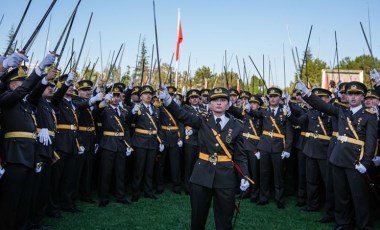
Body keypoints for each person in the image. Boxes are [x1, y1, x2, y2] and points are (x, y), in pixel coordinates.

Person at [159, 85, 250, 230]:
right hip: (202, 175)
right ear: (209, 104)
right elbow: (182, 115)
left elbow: (240, 155)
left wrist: (244, 175)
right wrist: (169, 100)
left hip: (226, 177)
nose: (218, 103)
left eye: (222, 100)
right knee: (197, 219)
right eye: (214, 100)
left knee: (224, 221)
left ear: (228, 104)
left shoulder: (237, 126)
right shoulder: (202, 120)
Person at [296, 80, 377, 229]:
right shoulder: (342, 111)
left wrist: (365, 163)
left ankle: (364, 225)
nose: (353, 97)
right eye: (350, 94)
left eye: (356, 94)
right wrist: (307, 93)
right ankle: (343, 223)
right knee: (341, 195)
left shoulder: (369, 115)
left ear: (362, 97)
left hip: (355, 161)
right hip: (338, 158)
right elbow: (322, 105)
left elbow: (371, 143)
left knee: (359, 196)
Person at [0, 53, 55, 230]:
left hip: (30, 154)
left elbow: (35, 92)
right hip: (15, 155)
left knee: (25, 197)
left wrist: (44, 77)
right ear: (12, 85)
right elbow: (25, 90)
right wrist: (38, 69)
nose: (25, 86)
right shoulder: (6, 99)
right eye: (21, 83)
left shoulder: (26, 104)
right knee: (12, 199)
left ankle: (23, 226)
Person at [245, 87, 293, 209]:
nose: (272, 99)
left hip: (278, 147)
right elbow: (254, 113)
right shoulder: (264, 111)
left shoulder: (285, 112)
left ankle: (280, 199)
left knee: (278, 175)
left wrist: (287, 149)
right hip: (264, 146)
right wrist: (247, 108)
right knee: (264, 174)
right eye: (270, 96)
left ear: (280, 98)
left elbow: (289, 133)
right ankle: (263, 198)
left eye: (275, 96)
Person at [288, 88, 333, 212]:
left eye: (322, 98)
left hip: (325, 151)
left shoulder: (332, 113)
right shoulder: (310, 113)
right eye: (317, 98)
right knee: (311, 180)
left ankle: (330, 210)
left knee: (328, 182)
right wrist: (289, 114)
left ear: (329, 99)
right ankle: (312, 205)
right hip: (310, 150)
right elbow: (298, 121)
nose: (319, 100)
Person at [97, 84, 132, 207]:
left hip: (121, 144)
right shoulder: (105, 109)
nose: (116, 98)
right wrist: (103, 99)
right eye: (114, 96)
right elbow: (98, 110)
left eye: (118, 96)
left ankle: (120, 196)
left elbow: (126, 128)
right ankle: (104, 197)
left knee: (120, 172)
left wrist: (128, 144)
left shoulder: (123, 111)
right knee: (106, 172)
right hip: (108, 143)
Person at [128, 85, 162, 202]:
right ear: (141, 96)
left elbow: (158, 127)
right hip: (140, 141)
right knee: (139, 168)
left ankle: (148, 191)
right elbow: (128, 121)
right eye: (145, 94)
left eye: (150, 94)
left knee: (149, 168)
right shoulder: (136, 107)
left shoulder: (156, 109)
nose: (148, 96)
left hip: (152, 141)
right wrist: (133, 112)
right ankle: (135, 192)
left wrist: (160, 140)